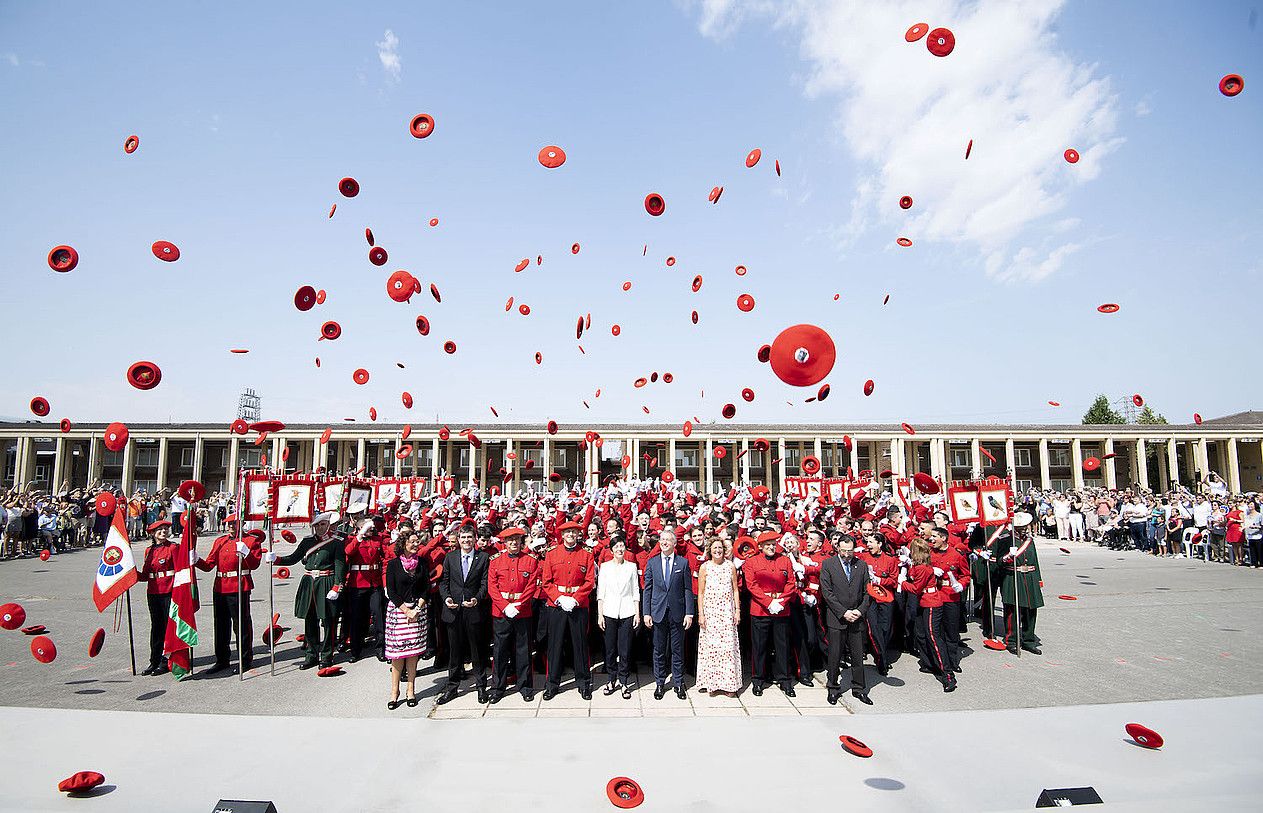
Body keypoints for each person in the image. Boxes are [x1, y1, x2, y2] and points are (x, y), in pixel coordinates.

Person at [269, 511, 347, 670]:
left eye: (323, 524)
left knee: (328, 621)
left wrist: (337, 587)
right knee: (310, 621)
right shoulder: (307, 542)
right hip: (309, 583)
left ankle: (327, 655)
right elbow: (293, 558)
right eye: (317, 525)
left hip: (326, 582)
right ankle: (311, 655)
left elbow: (340, 567)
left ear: (328, 525)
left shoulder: (336, 543)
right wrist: (275, 559)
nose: (319, 527)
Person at [194, 524, 264, 675]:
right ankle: (222, 659)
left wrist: (246, 552)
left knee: (241, 625)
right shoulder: (220, 541)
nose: (231, 528)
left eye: (234, 525)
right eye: (228, 525)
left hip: (239, 585)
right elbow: (209, 565)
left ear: (241, 525)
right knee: (220, 625)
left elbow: (254, 564)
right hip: (220, 586)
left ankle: (245, 660)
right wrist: (196, 560)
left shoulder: (251, 541)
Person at [541, 521, 596, 700]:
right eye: (567, 532)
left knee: (580, 645)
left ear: (578, 535)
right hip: (557, 605)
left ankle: (583, 683)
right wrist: (559, 598)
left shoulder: (587, 553)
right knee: (555, 645)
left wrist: (576, 599)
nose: (571, 535)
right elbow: (546, 581)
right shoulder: (551, 553)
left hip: (578, 605)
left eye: (574, 532)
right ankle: (552, 684)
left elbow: (589, 581)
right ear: (562, 535)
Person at [437, 526, 490, 705]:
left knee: (477, 651)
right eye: (463, 537)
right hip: (453, 611)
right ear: (458, 539)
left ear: (475, 539)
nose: (466, 540)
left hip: (474, 610)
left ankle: (481, 686)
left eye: (469, 537)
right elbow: (443, 583)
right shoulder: (450, 557)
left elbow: (485, 583)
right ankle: (452, 687)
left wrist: (476, 599)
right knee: (455, 652)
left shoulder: (483, 557)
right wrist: (447, 599)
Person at [487, 527, 540, 703]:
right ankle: (497, 687)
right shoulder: (495, 560)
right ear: (504, 542)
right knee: (500, 650)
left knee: (523, 650)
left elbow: (531, 585)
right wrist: (505, 606)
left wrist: (519, 605)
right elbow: (492, 587)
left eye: (517, 539)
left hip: (522, 611)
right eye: (510, 540)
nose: (513, 543)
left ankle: (525, 686)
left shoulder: (530, 560)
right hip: (501, 612)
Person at [820, 535, 872, 705]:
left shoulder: (861, 565)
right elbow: (827, 593)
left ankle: (859, 688)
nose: (847, 554)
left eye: (850, 551)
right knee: (835, 655)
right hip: (837, 618)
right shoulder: (828, 565)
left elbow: (867, 592)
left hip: (856, 617)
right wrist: (843, 612)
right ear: (837, 548)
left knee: (858, 656)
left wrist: (859, 611)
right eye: (844, 551)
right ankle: (833, 687)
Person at [642, 529, 694, 699]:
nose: (664, 542)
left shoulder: (683, 563)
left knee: (677, 650)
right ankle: (659, 683)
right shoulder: (652, 563)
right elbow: (647, 590)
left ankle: (678, 683)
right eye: (662, 540)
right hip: (658, 612)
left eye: (667, 540)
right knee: (659, 650)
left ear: (674, 543)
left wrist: (689, 613)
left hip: (677, 613)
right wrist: (646, 613)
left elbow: (687, 589)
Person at [743, 530, 796, 697]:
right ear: (760, 547)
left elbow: (791, 583)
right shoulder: (752, 562)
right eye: (768, 545)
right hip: (760, 609)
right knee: (759, 647)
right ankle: (758, 679)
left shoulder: (785, 560)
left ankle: (784, 680)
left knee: (783, 646)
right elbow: (751, 585)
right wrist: (768, 602)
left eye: (773, 544)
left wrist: (780, 602)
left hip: (781, 609)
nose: (771, 547)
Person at [900, 537, 956, 692]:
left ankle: (947, 674)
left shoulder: (922, 568)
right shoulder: (920, 566)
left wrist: (902, 583)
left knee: (933, 637)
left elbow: (916, 588)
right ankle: (929, 663)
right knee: (921, 635)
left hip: (930, 602)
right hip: (923, 601)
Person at [385, 530, 429, 709]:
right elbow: (391, 590)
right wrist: (406, 610)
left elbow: (426, 588)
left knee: (413, 654)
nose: (415, 544)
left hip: (418, 611)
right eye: (411, 541)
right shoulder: (394, 564)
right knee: (398, 655)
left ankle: (411, 689)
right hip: (399, 612)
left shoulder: (422, 563)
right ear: (403, 544)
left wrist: (417, 609)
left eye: (417, 541)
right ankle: (394, 692)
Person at [992, 512, 1044, 655]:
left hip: (1030, 577)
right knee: (1012, 611)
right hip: (1013, 576)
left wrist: (1038, 579)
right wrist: (1009, 556)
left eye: (1024, 526)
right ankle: (1012, 640)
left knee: (1031, 611)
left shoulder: (1029, 540)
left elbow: (1035, 560)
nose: (1023, 529)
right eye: (1020, 526)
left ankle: (1028, 640)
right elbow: (999, 561)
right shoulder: (1005, 539)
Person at [695, 537, 741, 696]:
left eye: (720, 548)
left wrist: (737, 610)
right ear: (709, 550)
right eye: (714, 548)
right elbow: (700, 593)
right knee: (712, 648)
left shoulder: (730, 566)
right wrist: (701, 614)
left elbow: (735, 589)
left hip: (727, 613)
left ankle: (729, 685)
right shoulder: (704, 567)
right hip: (711, 613)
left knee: (727, 649)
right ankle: (712, 684)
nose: (717, 551)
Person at [596, 536, 640, 699]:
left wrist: (637, 613)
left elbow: (635, 590)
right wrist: (600, 614)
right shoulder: (605, 567)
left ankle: (624, 681)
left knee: (625, 649)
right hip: (609, 611)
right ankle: (611, 679)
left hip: (627, 611)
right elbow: (601, 592)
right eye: (617, 546)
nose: (620, 549)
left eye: (622, 546)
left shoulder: (631, 567)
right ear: (611, 549)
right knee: (610, 649)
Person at [343, 518, 387, 662]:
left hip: (375, 583)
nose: (371, 530)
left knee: (378, 616)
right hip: (358, 584)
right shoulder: (352, 539)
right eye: (368, 527)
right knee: (357, 618)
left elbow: (385, 558)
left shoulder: (377, 539)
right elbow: (348, 552)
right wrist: (360, 535)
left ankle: (380, 649)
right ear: (360, 527)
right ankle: (356, 650)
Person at [137, 519, 176, 675]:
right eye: (159, 529)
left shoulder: (173, 548)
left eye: (165, 529)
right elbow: (146, 575)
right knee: (156, 627)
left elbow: (181, 569)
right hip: (153, 591)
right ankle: (154, 660)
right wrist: (129, 573)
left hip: (169, 590)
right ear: (153, 533)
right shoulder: (149, 551)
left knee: (168, 627)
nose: (163, 531)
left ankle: (167, 660)